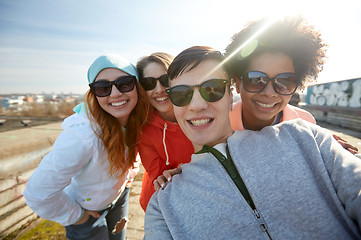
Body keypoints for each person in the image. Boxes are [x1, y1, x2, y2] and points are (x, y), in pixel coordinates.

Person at [144, 46, 361, 239]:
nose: (197, 105)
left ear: (231, 95)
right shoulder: (163, 205)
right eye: (182, 95)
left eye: (212, 89)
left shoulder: (305, 138)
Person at [23, 54, 151, 240]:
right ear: (94, 93)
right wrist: (78, 216)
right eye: (103, 88)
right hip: (87, 212)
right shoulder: (83, 135)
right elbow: (38, 193)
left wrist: (128, 179)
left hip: (119, 198)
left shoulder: (136, 120)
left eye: (124, 83)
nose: (115, 93)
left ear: (137, 86)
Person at [225, 16, 358, 153]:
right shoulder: (220, 125)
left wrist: (324, 151)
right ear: (237, 82)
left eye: (284, 81)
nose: (269, 92)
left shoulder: (305, 122)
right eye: (256, 79)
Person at [136, 52, 194, 211]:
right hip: (160, 203)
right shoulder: (143, 128)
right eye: (149, 83)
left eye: (165, 80)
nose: (159, 89)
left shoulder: (197, 114)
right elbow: (157, 178)